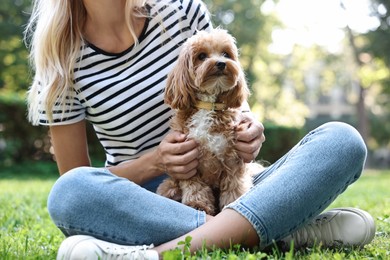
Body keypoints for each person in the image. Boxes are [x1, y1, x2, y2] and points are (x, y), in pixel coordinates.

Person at [25, 0, 375, 259]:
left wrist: (250, 128)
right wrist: (157, 162)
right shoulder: (61, 56)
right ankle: (280, 230)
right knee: (69, 192)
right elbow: (75, 175)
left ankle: (157, 254)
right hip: (149, 201)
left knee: (341, 141)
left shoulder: (181, 11)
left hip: (236, 187)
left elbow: (232, 95)